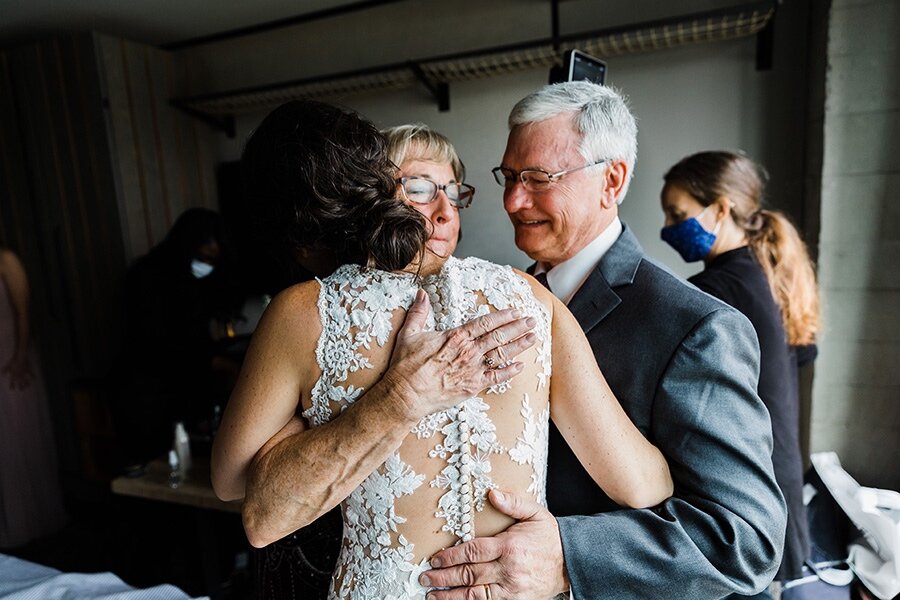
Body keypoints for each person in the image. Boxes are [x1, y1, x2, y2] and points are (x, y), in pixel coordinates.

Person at [211, 100, 674, 599]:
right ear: (379, 193)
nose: (444, 208)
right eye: (419, 188)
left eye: (454, 193)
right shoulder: (530, 300)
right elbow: (642, 485)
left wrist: (320, 418)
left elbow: (232, 481)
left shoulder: (307, 314)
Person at [418, 81, 787, 599]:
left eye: (539, 178)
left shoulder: (696, 327)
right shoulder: (496, 299)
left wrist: (568, 557)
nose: (513, 200)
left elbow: (743, 538)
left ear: (611, 181)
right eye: (509, 176)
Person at [660, 150, 820, 597]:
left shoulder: (716, 292)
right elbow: (804, 357)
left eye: (679, 214)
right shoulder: (765, 273)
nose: (669, 227)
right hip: (779, 483)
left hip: (747, 502)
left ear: (721, 209)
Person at [112, 208, 244, 468]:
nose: (211, 256)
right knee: (158, 469)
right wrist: (224, 365)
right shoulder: (149, 277)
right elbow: (163, 344)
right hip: (147, 395)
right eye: (205, 248)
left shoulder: (195, 279)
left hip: (180, 390)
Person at [0, 247, 67, 548]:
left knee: (19, 442)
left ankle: (33, 524)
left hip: (11, 359)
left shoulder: (7, 260)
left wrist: (20, 355)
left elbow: (23, 310)